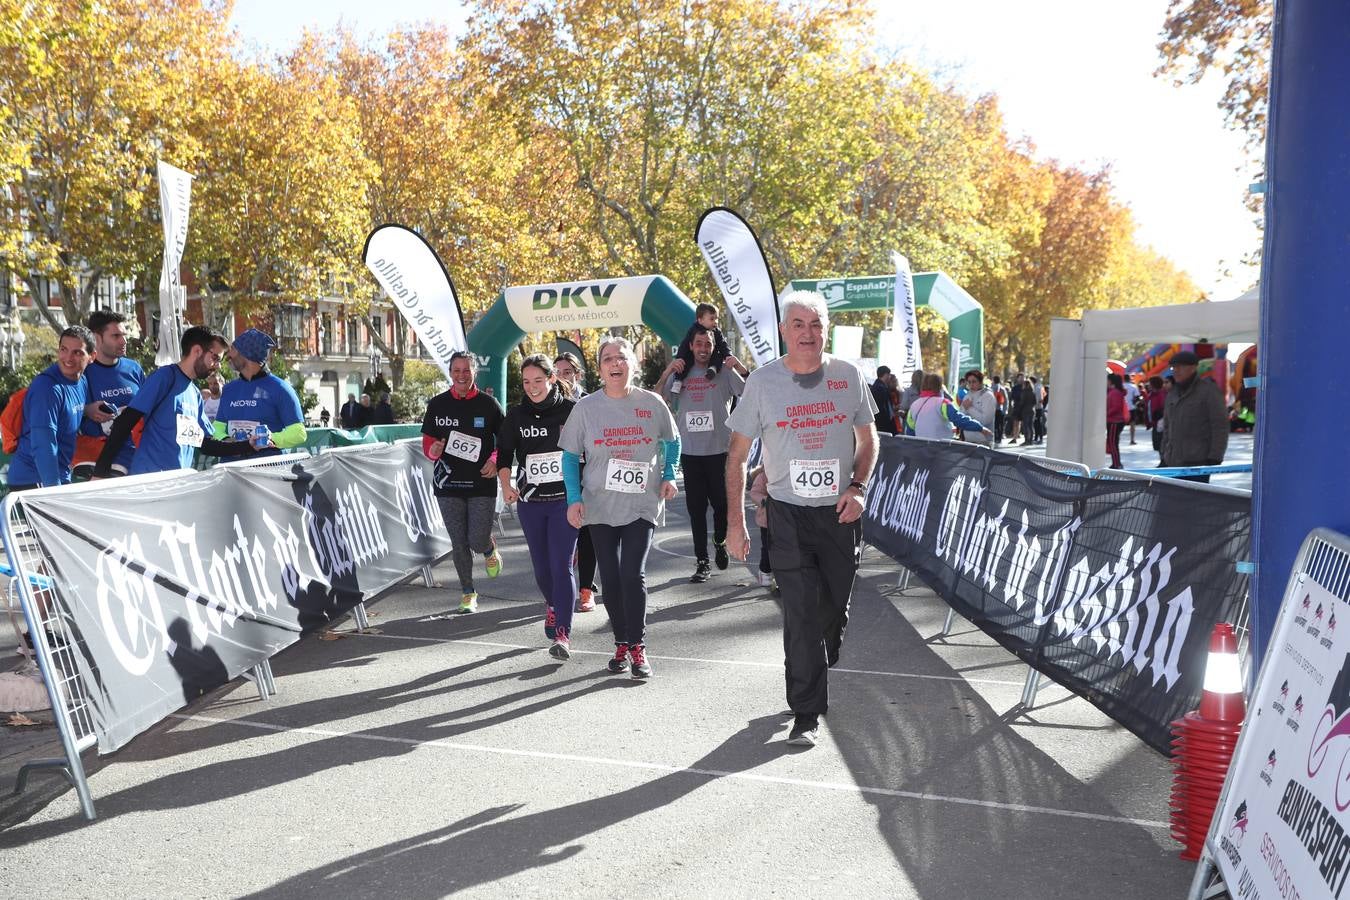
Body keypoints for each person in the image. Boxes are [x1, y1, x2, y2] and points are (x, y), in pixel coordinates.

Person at [726, 291, 878, 748]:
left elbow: (869, 441)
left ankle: (822, 649)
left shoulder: (848, 376)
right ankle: (806, 713)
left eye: (815, 324)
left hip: (839, 513)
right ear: (783, 331)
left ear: (825, 330)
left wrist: (858, 488)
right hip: (787, 515)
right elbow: (735, 459)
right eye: (798, 324)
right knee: (801, 614)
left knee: (830, 611)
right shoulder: (762, 382)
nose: (807, 333)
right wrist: (736, 523)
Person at [560, 337, 678, 679]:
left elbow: (673, 441)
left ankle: (638, 646)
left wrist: (669, 475)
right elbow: (569, 456)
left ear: (633, 364)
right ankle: (621, 643)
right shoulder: (585, 408)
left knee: (632, 574)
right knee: (610, 581)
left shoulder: (653, 403)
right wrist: (573, 498)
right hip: (599, 504)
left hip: (642, 501)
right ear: (599, 370)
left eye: (621, 357)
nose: (615, 364)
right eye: (607, 359)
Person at [498, 355, 579, 657]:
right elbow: (504, 456)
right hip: (531, 503)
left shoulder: (571, 411)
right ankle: (553, 603)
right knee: (542, 570)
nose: (532, 387)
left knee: (561, 566)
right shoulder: (516, 416)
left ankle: (563, 635)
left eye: (538, 380)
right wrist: (506, 486)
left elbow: (587, 450)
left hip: (564, 502)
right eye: (526, 382)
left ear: (552, 379)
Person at [93, 326, 255, 477]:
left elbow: (204, 444)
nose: (218, 366)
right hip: (149, 481)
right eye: (215, 358)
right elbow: (126, 421)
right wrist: (99, 472)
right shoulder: (164, 377)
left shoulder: (194, 393)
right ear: (197, 351)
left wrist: (249, 445)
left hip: (177, 482)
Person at [658, 329, 745, 583]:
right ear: (692, 346)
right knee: (696, 511)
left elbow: (751, 393)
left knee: (721, 506)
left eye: (708, 344)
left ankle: (719, 541)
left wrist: (737, 365)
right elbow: (658, 397)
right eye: (699, 344)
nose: (703, 348)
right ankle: (702, 562)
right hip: (690, 454)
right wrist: (667, 371)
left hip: (719, 452)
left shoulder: (724, 372)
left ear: (713, 346)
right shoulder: (680, 372)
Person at [422, 352, 504, 613]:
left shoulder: (489, 404)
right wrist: (433, 450)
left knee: (476, 540)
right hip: (448, 484)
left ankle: (488, 547)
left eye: (466, 370)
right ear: (450, 372)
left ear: (474, 372)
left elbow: (505, 441)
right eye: (456, 370)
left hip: (481, 482)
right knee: (458, 541)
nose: (461, 375)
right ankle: (468, 592)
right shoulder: (437, 405)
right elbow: (428, 445)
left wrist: (494, 458)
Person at [6, 326, 95, 491]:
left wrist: (88, 410)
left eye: (77, 352)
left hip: (57, 477)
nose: (68, 358)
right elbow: (43, 444)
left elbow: (66, 415)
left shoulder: (81, 381)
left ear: (92, 357)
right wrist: (53, 490)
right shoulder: (47, 388)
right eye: (64, 350)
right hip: (34, 480)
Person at [72, 311, 144, 478]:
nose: (124, 341)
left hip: (136, 460)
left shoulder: (134, 368)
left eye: (124, 335)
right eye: (116, 336)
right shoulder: (81, 371)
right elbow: (59, 410)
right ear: (97, 338)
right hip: (96, 464)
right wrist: (86, 410)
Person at [214, 329, 307, 458]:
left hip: (265, 471)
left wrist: (269, 439)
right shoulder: (229, 389)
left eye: (234, 349)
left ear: (246, 354)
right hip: (231, 469)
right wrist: (227, 440)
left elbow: (299, 433)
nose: (229, 354)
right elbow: (217, 427)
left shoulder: (281, 388)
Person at [554, 351, 596, 609]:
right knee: (567, 531)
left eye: (567, 372)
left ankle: (586, 589)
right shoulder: (549, 404)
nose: (562, 377)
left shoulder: (590, 403)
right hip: (558, 475)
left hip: (588, 473)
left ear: (578, 375)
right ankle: (565, 584)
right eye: (557, 372)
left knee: (588, 531)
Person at [1161, 350, 1228, 483]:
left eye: (1181, 367)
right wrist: (1164, 454)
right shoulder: (1172, 394)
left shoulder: (1208, 391)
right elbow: (1167, 426)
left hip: (1198, 462)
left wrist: (1215, 456)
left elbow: (1220, 425)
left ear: (1193, 368)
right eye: (1174, 367)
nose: (1176, 371)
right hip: (1173, 462)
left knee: (1195, 502)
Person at [668, 303, 746, 395]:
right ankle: (679, 380)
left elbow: (723, 345)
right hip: (691, 356)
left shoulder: (716, 331)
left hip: (712, 355)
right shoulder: (693, 330)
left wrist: (728, 355)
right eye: (712, 319)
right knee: (685, 362)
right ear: (700, 320)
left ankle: (713, 368)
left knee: (718, 354)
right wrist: (679, 357)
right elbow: (684, 345)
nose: (715, 322)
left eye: (716, 318)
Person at [905, 373, 993, 441]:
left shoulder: (914, 405)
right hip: (942, 449)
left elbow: (910, 430)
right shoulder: (942, 403)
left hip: (922, 449)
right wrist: (980, 428)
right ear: (940, 386)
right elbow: (959, 419)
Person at [747, 464, 775, 592]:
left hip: (786, 520)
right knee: (768, 548)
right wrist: (766, 501)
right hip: (767, 520)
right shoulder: (763, 476)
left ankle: (782, 576)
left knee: (786, 549)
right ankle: (765, 571)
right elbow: (754, 493)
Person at [959, 370, 997, 446]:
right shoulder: (967, 396)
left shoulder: (988, 396)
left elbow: (985, 420)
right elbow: (961, 417)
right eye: (969, 382)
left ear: (980, 382)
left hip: (983, 441)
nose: (971, 384)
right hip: (968, 440)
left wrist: (970, 408)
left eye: (974, 381)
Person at [1106, 373, 1129, 469]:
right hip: (1114, 420)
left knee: (1113, 443)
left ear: (1110, 381)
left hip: (1115, 421)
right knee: (1113, 443)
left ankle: (1116, 463)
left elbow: (1116, 407)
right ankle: (1116, 462)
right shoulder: (1114, 392)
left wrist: (1106, 414)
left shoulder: (1115, 392)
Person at [1145, 375, 1167, 462]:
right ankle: (1162, 460)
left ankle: (1164, 461)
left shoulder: (1161, 394)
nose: (1148, 385)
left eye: (1150, 383)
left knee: (1161, 442)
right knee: (1157, 443)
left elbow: (1163, 406)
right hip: (1154, 422)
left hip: (1160, 422)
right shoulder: (1151, 395)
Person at [870, 365, 895, 435]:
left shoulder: (876, 386)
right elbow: (883, 407)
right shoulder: (881, 388)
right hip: (883, 423)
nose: (890, 377)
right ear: (885, 375)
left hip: (878, 421)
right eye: (889, 375)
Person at [1123, 376, 1142, 445]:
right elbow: (1137, 397)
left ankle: (1117, 438)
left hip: (1122, 408)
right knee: (1132, 424)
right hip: (1132, 408)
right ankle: (1132, 440)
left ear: (1124, 379)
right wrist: (1135, 404)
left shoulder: (1121, 386)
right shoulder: (1134, 386)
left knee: (1120, 424)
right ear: (1130, 379)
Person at [990, 375, 1007, 446]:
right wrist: (1005, 410)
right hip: (1000, 408)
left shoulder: (991, 389)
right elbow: (1006, 400)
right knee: (1000, 424)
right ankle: (999, 438)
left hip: (992, 409)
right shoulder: (1002, 389)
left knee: (994, 425)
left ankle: (995, 438)